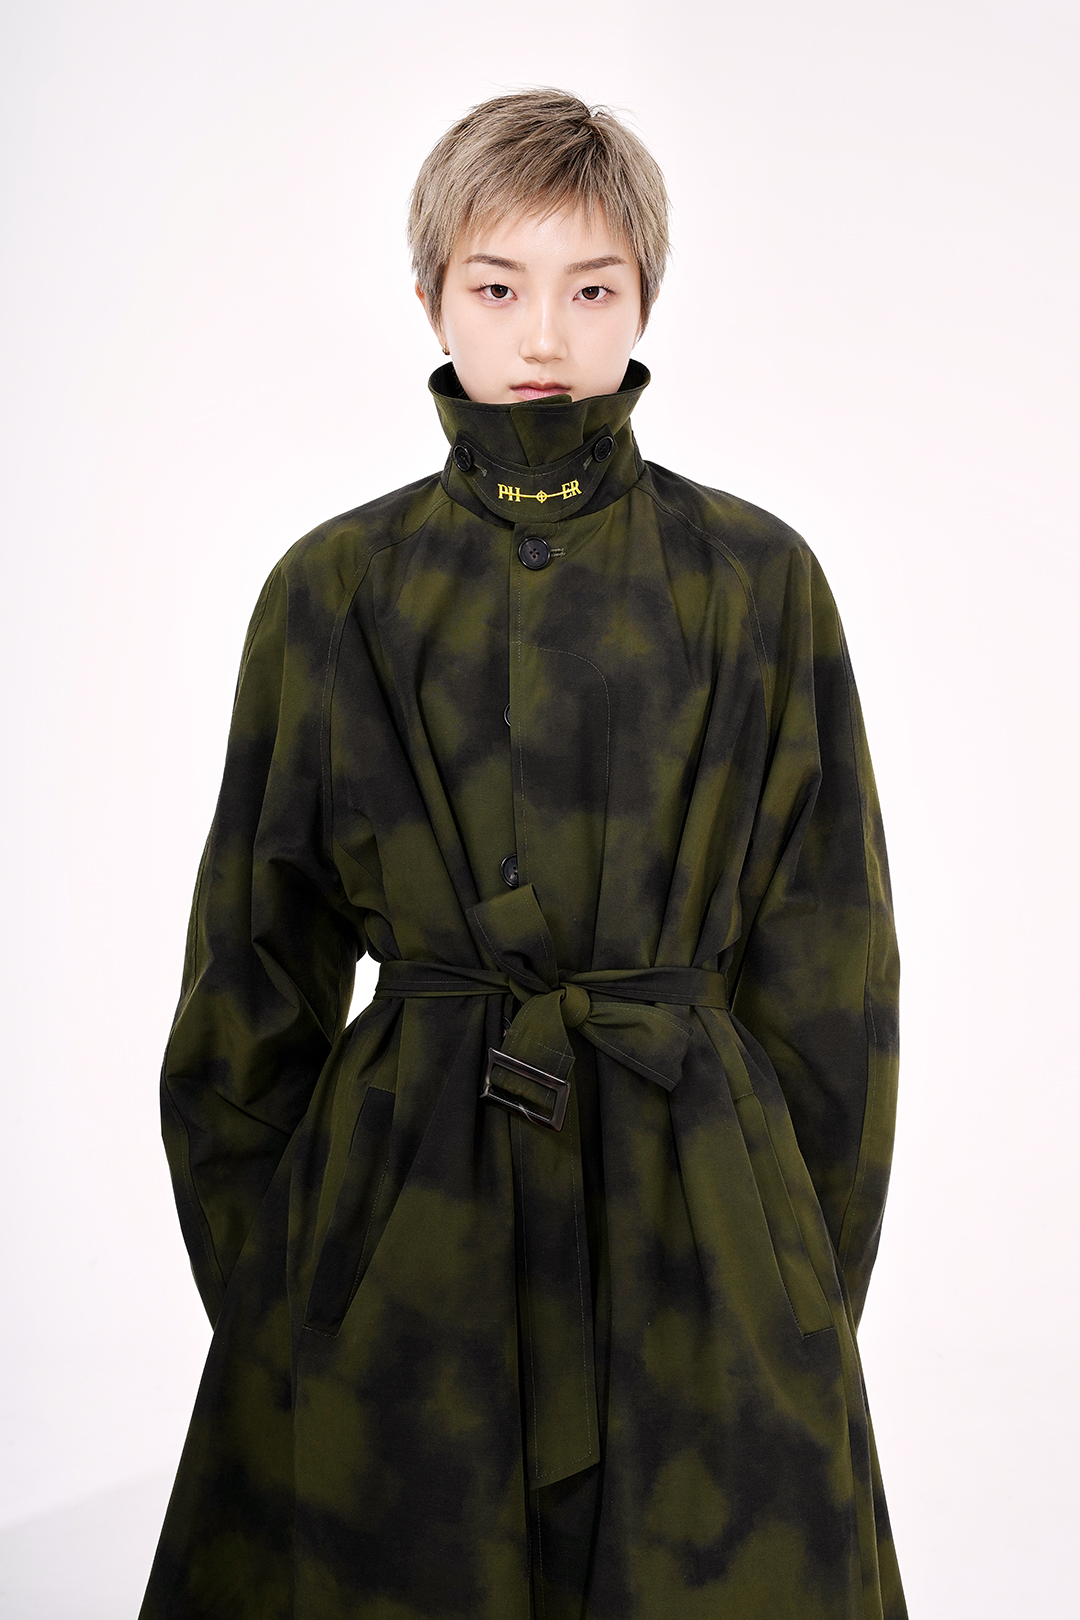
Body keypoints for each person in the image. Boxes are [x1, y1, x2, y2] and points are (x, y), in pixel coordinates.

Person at [139, 88, 906, 1620]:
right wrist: (289, 1295)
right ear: (432, 293)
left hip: (698, 1223)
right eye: (497, 286)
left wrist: (793, 1291)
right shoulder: (334, 591)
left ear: (645, 301)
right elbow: (251, 973)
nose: (543, 332)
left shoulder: (755, 583)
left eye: (592, 288)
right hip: (403, 1225)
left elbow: (832, 971)